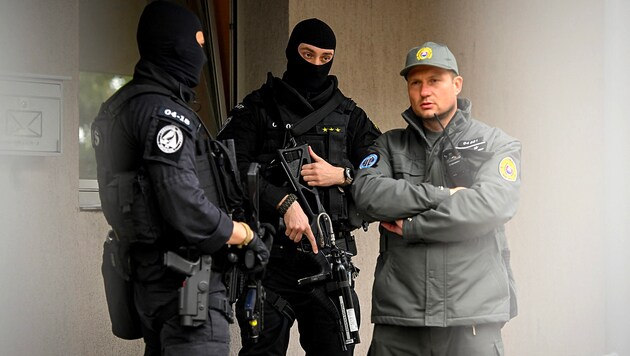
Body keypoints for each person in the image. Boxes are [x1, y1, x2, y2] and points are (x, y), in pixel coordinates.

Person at [91, 2, 268, 355]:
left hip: (151, 286)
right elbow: (183, 202)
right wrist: (241, 233)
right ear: (175, 46)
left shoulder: (118, 108)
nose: (202, 55)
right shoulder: (164, 113)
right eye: (198, 43)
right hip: (188, 289)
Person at [218, 18, 381, 356]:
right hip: (269, 260)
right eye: (308, 54)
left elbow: (385, 166)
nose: (316, 65)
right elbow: (225, 164)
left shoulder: (349, 115)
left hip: (328, 262)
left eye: (325, 58)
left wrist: (341, 175)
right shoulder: (259, 108)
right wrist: (282, 202)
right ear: (291, 52)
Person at [352, 42, 520, 356]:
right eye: (415, 82)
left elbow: (489, 206)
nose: (424, 90)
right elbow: (368, 195)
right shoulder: (389, 145)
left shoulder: (494, 143)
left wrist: (414, 227)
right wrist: (444, 194)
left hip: (471, 318)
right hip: (401, 319)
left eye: (434, 80)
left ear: (457, 84)